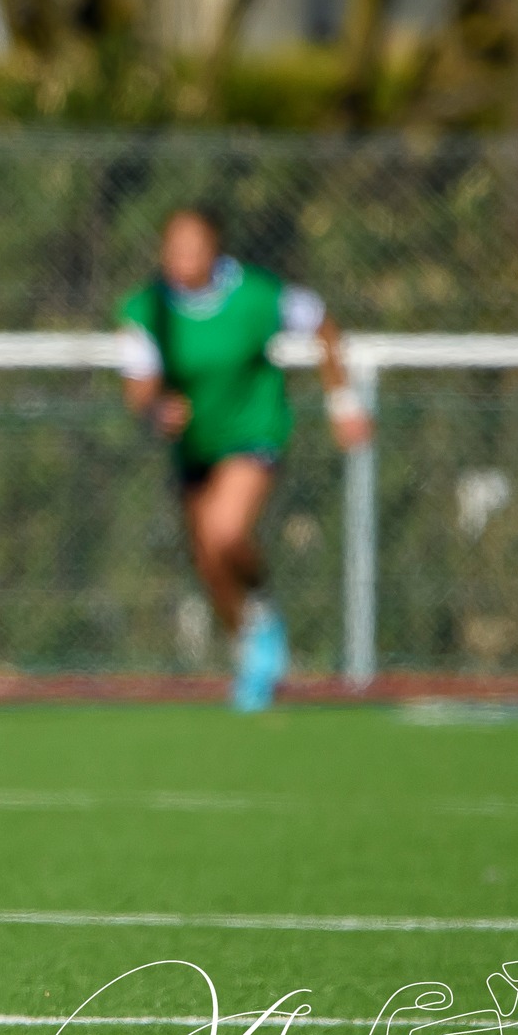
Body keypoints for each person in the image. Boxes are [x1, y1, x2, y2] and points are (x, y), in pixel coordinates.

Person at [117, 206, 371, 711]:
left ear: (216, 250)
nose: (181, 258)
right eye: (173, 248)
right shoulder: (147, 309)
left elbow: (320, 321)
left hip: (254, 432)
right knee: (210, 562)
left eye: (193, 247)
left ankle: (264, 617)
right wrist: (155, 409)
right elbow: (139, 387)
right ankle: (251, 649)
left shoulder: (256, 295)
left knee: (225, 532)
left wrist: (343, 403)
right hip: (194, 447)